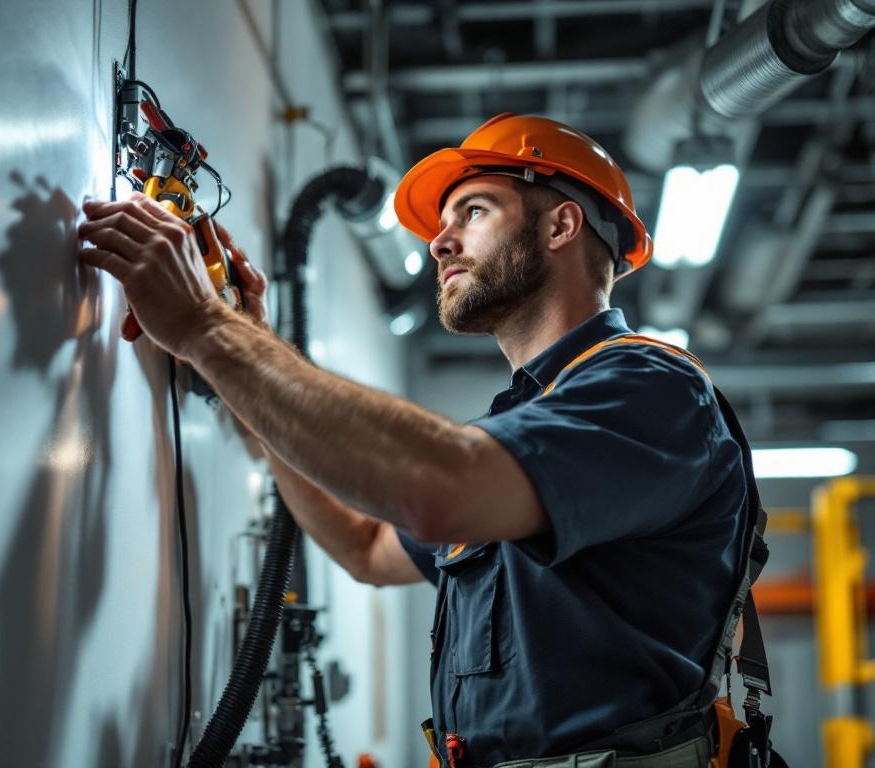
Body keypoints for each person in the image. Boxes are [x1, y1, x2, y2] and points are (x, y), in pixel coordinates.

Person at [77, 114, 747, 767]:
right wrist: (243, 353)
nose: (439, 242)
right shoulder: (521, 425)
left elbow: (438, 490)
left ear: (561, 225)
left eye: (474, 212)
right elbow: (364, 547)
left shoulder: (650, 389)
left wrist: (206, 329)